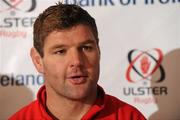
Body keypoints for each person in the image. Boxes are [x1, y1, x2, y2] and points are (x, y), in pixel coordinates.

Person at [9, 2, 146, 120]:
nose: (77, 61)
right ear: (38, 61)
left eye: (86, 48)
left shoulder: (130, 117)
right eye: (60, 51)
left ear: (99, 51)